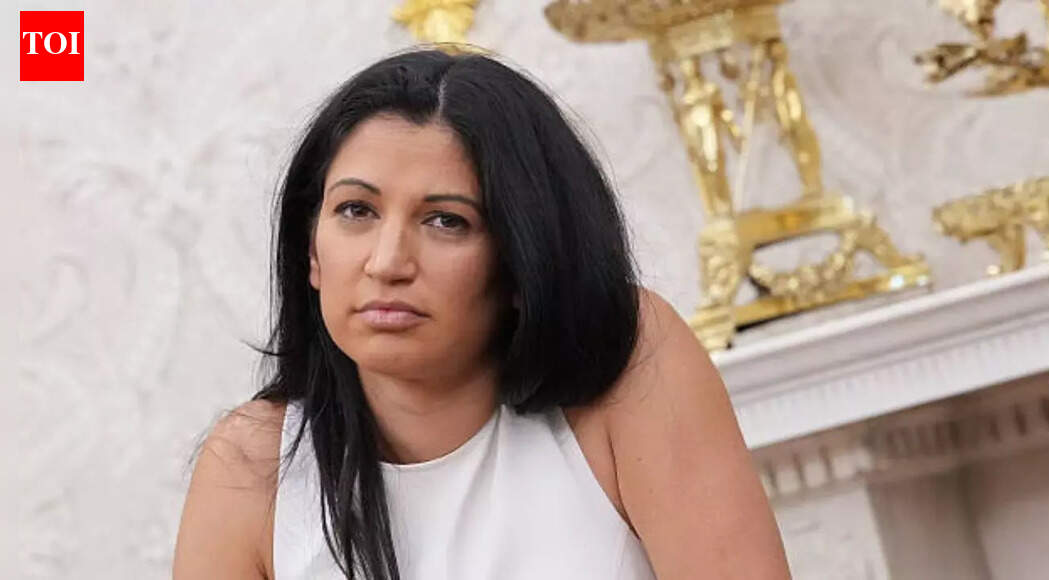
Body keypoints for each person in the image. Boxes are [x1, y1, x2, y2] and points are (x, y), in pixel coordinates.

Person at [172, 48, 790, 580]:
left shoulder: (629, 360)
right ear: (311, 251)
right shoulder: (251, 466)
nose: (386, 263)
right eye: (356, 211)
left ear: (523, 259)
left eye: (446, 221)